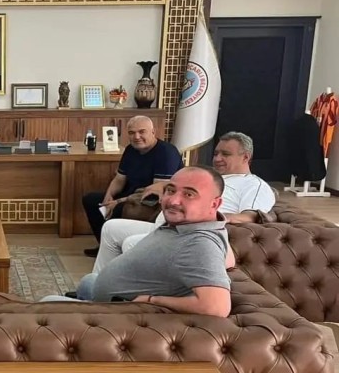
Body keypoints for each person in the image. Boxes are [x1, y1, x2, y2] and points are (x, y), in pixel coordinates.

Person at [43, 166, 232, 318]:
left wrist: (152, 300)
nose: (173, 200)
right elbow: (228, 259)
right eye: (171, 190)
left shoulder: (200, 244)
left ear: (214, 204)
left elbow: (216, 307)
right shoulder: (198, 225)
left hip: (118, 312)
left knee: (45, 305)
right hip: (113, 295)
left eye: (189, 194)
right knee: (88, 281)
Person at [88, 131, 275, 276]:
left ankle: (125, 300)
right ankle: (96, 287)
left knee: (132, 243)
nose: (217, 158)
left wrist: (209, 218)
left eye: (225, 154)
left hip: (191, 234)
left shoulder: (254, 185)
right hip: (164, 225)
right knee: (111, 228)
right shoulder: (210, 177)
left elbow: (251, 216)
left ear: (245, 157)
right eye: (216, 153)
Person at [82, 115, 183, 255]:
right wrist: (109, 196)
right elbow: (119, 179)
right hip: (131, 194)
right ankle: (105, 247)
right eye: (132, 133)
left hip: (150, 202)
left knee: (117, 209)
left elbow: (155, 191)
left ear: (153, 132)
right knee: (91, 200)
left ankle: (123, 250)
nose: (136, 137)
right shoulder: (130, 149)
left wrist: (117, 202)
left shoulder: (166, 153)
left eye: (142, 132)